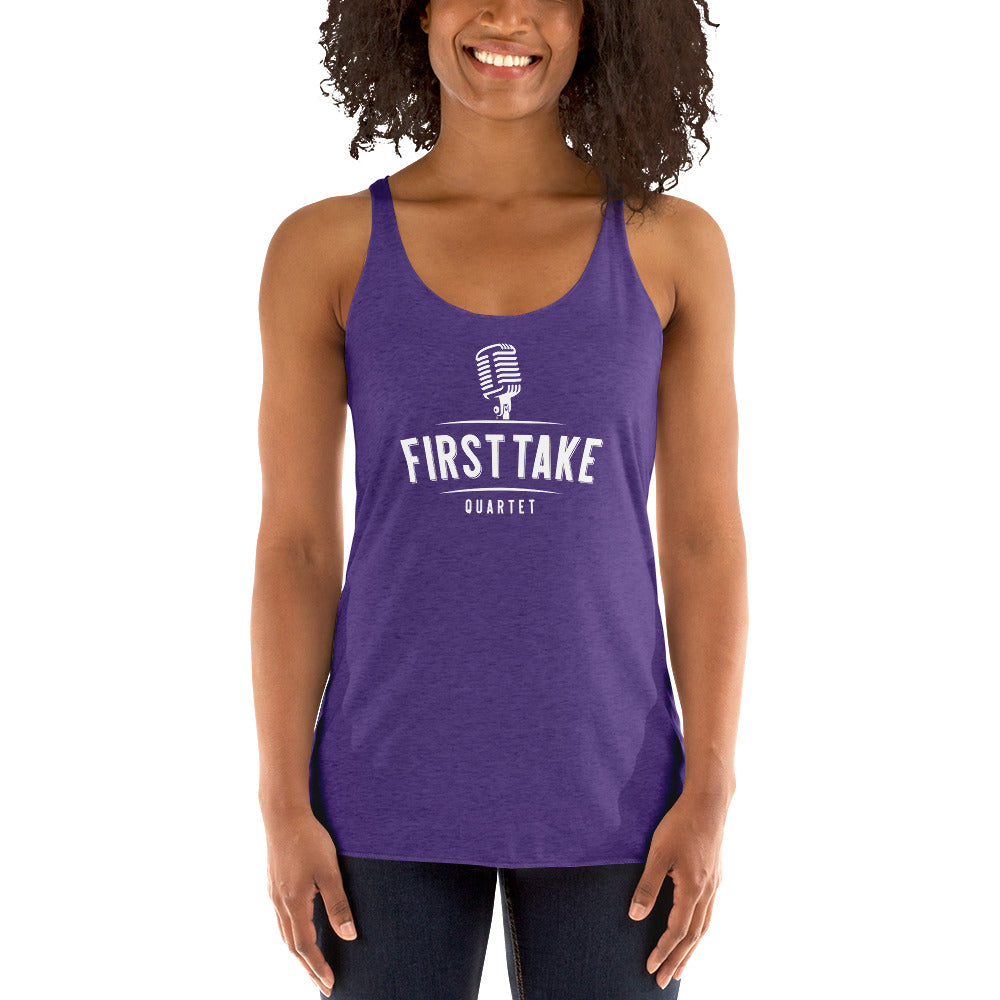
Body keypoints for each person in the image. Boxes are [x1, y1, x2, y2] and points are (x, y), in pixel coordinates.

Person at [250, 1, 747, 997]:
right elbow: (297, 546)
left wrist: (709, 789)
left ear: (598, 19)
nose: (508, 15)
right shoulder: (325, 249)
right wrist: (281, 804)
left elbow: (702, 539)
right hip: (383, 791)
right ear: (413, 10)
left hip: (616, 797)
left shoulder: (670, 245)